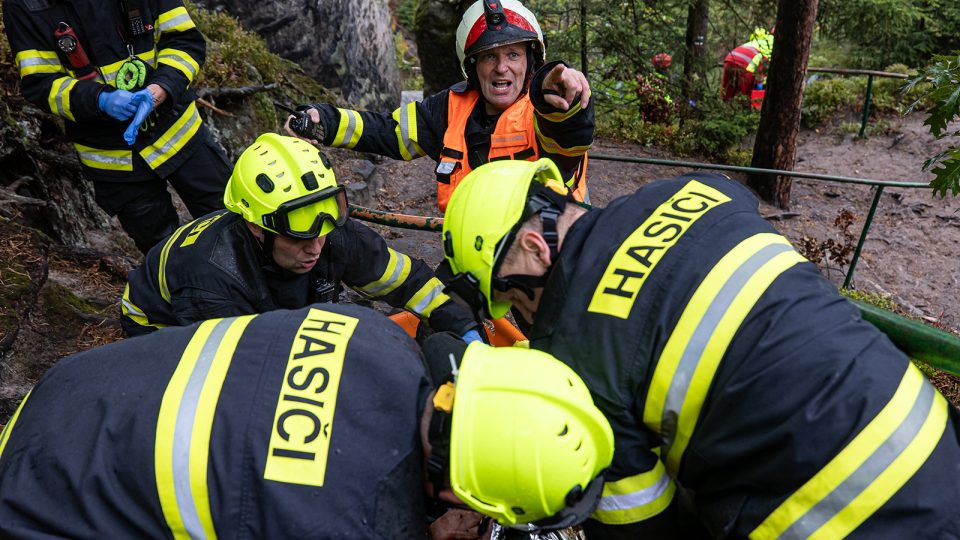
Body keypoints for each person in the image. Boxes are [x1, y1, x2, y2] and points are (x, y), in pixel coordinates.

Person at [439, 157, 960, 538]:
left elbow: (642, 528)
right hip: (933, 437)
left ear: (534, 248)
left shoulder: (573, 358)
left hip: (838, 517)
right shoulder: (696, 190)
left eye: (510, 298)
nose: (523, 322)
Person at [0, 303, 614, 538]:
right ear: (462, 493)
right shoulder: (356, 524)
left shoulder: (376, 335)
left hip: (72, 393)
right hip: (40, 508)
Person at [121, 133, 480, 343]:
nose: (316, 246)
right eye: (299, 236)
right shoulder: (213, 283)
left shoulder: (325, 230)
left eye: (323, 231)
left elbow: (409, 282)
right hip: (158, 326)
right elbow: (241, 377)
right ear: (257, 227)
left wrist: (464, 328)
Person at [284, 0, 593, 211]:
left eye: (513, 55)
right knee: (445, 307)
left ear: (530, 61)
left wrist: (566, 106)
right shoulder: (449, 108)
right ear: (472, 66)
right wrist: (323, 120)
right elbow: (388, 132)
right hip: (477, 256)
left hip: (552, 254)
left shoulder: (546, 110)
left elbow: (567, 133)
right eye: (489, 56)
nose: (501, 68)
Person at [3, 0, 232, 254]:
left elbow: (184, 41)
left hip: (181, 135)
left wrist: (161, 89)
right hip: (114, 161)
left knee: (233, 224)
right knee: (163, 252)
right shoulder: (24, 5)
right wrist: (99, 99)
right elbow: (40, 83)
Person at [721, 27, 774, 101]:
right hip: (746, 63)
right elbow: (763, 71)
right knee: (745, 99)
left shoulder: (762, 39)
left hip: (730, 57)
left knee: (727, 95)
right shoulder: (777, 46)